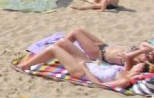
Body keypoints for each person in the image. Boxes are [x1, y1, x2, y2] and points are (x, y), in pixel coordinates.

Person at [17, 38, 150, 89]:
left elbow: (100, 85)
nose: (137, 66)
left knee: (54, 49)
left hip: (82, 72)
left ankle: (25, 66)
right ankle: (45, 57)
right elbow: (128, 60)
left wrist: (84, 69)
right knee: (63, 42)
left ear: (138, 72)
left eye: (139, 67)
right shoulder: (126, 71)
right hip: (90, 63)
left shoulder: (124, 80)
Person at [19, 28, 154, 71]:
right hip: (104, 45)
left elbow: (128, 61)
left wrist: (143, 53)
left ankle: (61, 49)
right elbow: (143, 43)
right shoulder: (143, 52)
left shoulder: (135, 62)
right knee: (78, 30)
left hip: (98, 54)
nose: (147, 55)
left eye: (148, 57)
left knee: (74, 34)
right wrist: (149, 49)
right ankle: (64, 47)